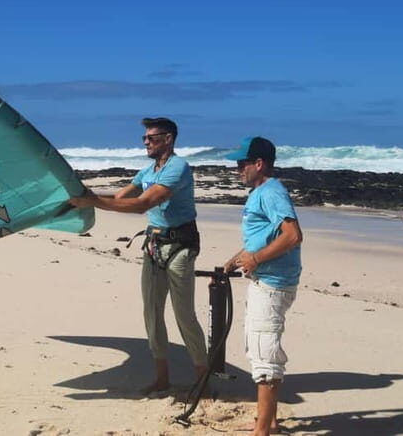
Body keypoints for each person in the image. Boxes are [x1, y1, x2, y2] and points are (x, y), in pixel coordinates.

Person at [69, 117, 207, 394]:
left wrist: (92, 201)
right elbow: (121, 198)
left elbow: (142, 204)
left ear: (168, 138)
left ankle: (202, 380)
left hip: (180, 245)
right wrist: (83, 198)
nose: (145, 142)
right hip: (154, 245)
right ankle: (162, 378)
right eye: (144, 137)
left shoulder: (178, 168)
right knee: (152, 313)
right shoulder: (147, 170)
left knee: (184, 315)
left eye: (151, 137)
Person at [222, 136, 303, 436]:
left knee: (264, 355)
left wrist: (255, 259)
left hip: (272, 284)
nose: (237, 169)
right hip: (263, 281)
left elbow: (293, 235)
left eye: (242, 164)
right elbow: (263, 236)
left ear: (259, 164)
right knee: (259, 350)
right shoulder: (261, 192)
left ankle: (262, 432)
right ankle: (266, 422)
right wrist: (235, 260)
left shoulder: (271, 192)